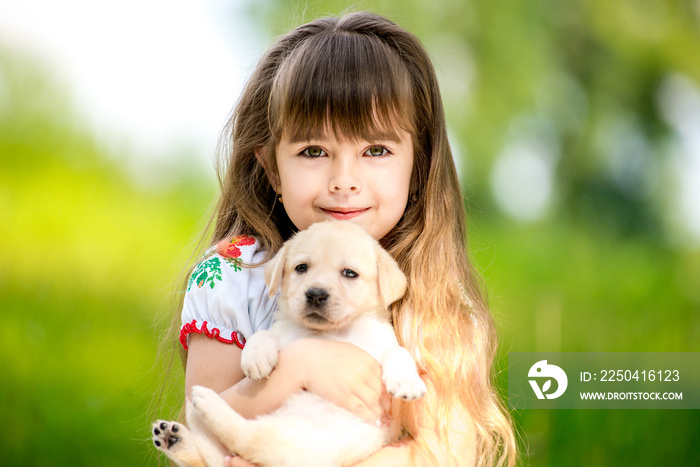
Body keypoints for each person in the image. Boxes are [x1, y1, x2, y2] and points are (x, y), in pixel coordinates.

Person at [167, 11, 516, 466]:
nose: (343, 180)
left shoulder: (437, 296)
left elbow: (445, 453)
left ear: (418, 168)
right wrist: (300, 366)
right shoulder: (234, 276)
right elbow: (201, 431)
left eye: (375, 150)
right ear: (272, 168)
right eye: (314, 151)